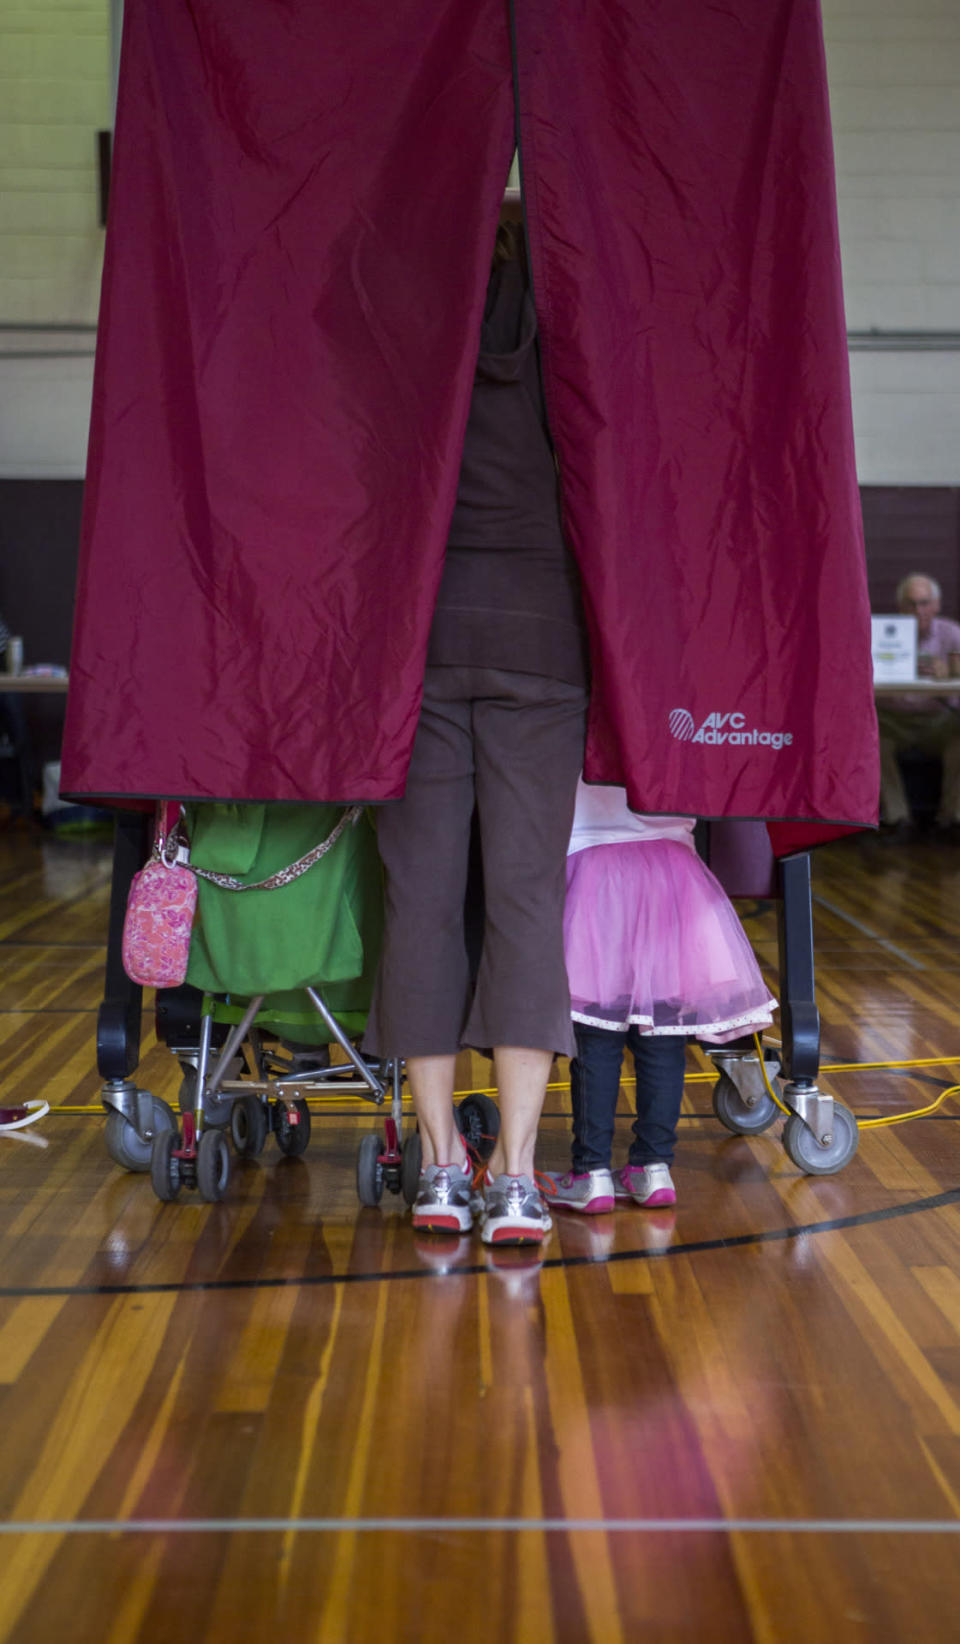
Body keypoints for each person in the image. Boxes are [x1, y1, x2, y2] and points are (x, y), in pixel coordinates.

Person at [363, 217, 589, 1247]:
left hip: (419, 640)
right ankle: (518, 1177)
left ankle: (441, 1170)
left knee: (419, 903)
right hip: (541, 641)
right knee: (525, 901)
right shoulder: (572, 341)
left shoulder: (417, 337)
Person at [542, 778, 776, 1214]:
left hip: (597, 873)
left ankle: (590, 1172)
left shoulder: (578, 714)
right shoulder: (675, 717)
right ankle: (653, 1167)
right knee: (663, 1035)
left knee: (597, 1037)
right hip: (674, 876)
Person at [877, 573, 960, 840]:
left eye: (924, 603)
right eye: (911, 603)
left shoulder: (951, 633)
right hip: (891, 719)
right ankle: (897, 818)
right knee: (870, 742)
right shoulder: (880, 633)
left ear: (936, 605)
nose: (918, 610)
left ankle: (952, 820)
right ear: (901, 606)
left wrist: (949, 672)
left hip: (938, 719)